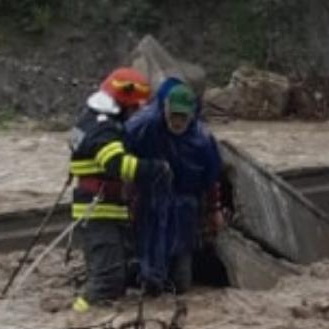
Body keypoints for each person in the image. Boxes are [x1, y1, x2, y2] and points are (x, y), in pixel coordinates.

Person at [68, 67, 172, 313]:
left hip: (104, 208)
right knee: (107, 280)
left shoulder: (90, 119)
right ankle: (76, 320)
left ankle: (94, 320)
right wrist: (155, 168)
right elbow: (117, 165)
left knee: (119, 274)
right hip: (98, 210)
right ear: (123, 102)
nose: (136, 113)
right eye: (135, 107)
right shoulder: (103, 128)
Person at [124, 77, 225, 295]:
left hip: (185, 204)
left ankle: (177, 287)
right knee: (149, 253)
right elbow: (124, 158)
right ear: (165, 108)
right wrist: (129, 199)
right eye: (173, 115)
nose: (177, 121)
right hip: (150, 200)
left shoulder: (203, 140)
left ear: (192, 114)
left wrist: (214, 210)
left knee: (182, 267)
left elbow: (211, 179)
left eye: (182, 116)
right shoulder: (145, 127)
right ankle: (147, 279)